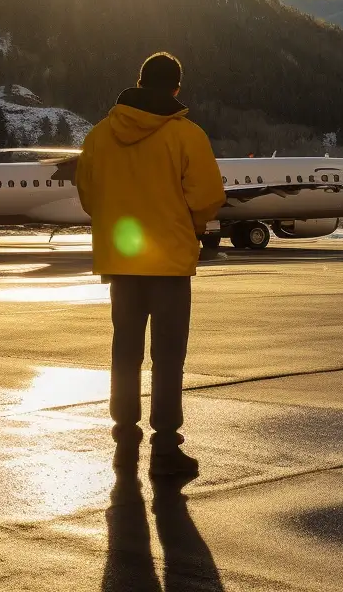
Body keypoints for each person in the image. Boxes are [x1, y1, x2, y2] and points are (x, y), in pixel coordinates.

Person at [76, 52, 226, 479]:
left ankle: (124, 433)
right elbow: (207, 196)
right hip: (169, 262)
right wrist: (189, 226)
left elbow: (89, 196)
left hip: (120, 261)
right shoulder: (186, 135)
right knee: (168, 353)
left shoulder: (99, 135)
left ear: (139, 81)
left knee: (125, 348)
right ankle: (165, 447)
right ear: (176, 88)